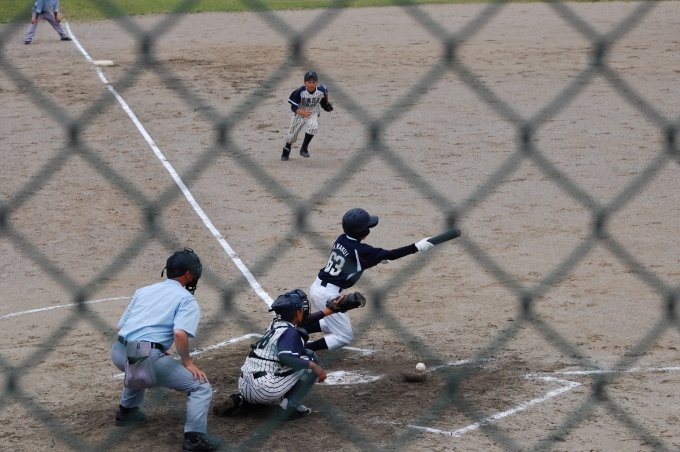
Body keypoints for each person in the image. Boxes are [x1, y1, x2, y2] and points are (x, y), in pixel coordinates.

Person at [110, 248, 222, 452]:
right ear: (188, 274)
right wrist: (188, 363)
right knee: (200, 386)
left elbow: (121, 327)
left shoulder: (144, 290)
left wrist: (154, 345)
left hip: (119, 351)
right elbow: (179, 333)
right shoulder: (186, 299)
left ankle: (126, 412)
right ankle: (195, 438)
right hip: (143, 355)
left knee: (138, 363)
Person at [213, 289, 359, 420]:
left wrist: (328, 311)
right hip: (264, 388)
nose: (304, 311)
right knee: (309, 357)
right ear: (297, 313)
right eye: (301, 308)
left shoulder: (275, 325)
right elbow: (286, 358)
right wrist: (313, 366)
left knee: (275, 365)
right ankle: (288, 408)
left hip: (245, 386)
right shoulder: (290, 332)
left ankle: (241, 400)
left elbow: (304, 322)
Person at [305, 208, 434, 351]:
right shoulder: (362, 251)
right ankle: (301, 350)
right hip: (327, 295)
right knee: (344, 336)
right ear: (362, 231)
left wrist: (376, 259)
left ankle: (299, 329)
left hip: (317, 286)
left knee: (333, 322)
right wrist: (417, 247)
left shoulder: (341, 238)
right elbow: (391, 255)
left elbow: (355, 261)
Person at [280, 71, 329, 161]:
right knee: (291, 135)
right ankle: (286, 150)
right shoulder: (300, 91)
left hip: (312, 112)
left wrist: (326, 101)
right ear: (305, 82)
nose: (311, 84)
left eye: (314, 82)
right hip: (299, 112)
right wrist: (303, 113)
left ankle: (304, 148)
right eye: (309, 82)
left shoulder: (320, 90)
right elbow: (293, 107)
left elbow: (325, 89)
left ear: (317, 82)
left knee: (313, 126)